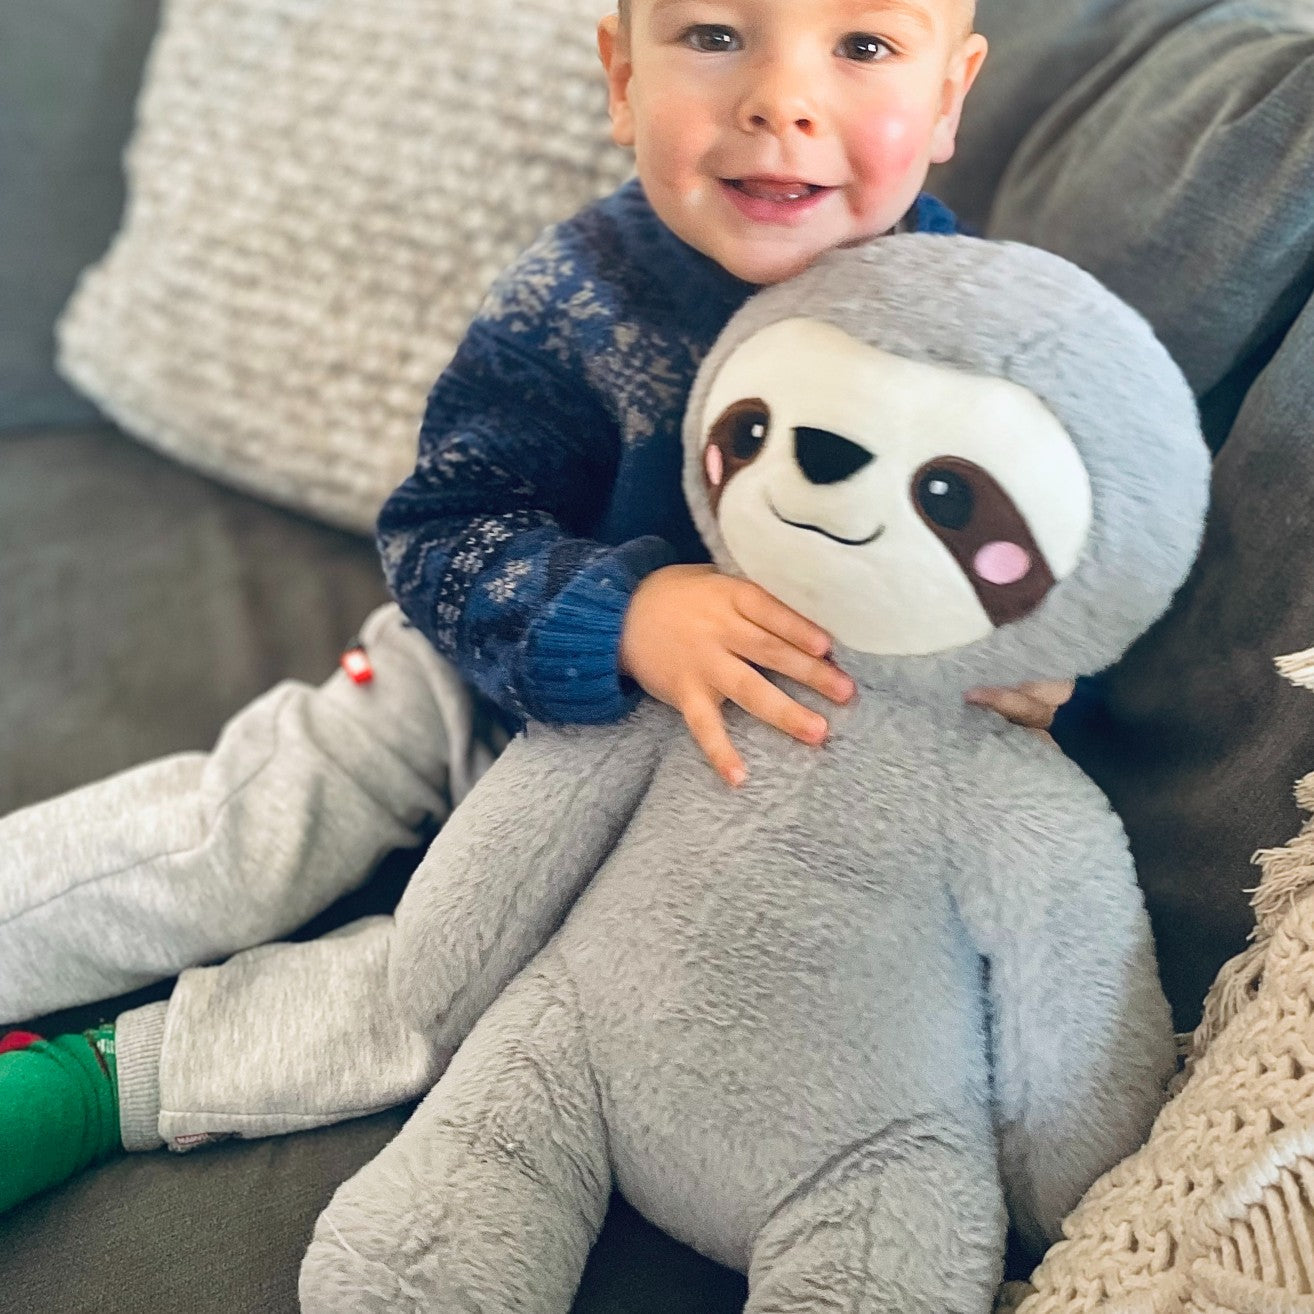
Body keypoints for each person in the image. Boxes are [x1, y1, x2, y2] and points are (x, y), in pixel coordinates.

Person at [0, 0, 1070, 1214]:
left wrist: (1035, 668)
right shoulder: (581, 295)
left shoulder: (982, 346)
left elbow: (1049, 564)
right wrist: (626, 614)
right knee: (242, 829)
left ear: (948, 98)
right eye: (715, 35)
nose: (782, 100)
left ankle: (101, 1085)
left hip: (670, 808)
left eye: (863, 47)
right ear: (622, 77)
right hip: (466, 679)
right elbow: (441, 531)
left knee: (478, 993)